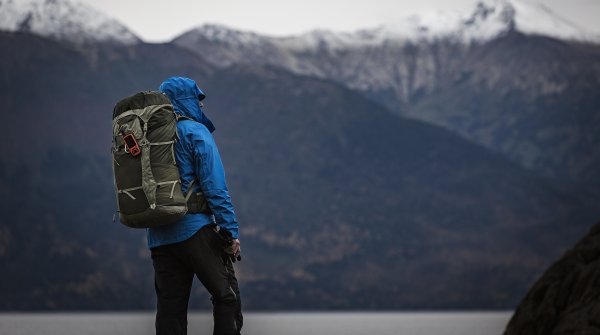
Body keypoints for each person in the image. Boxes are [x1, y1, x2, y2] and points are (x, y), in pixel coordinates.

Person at [148, 76, 242, 335]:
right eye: (196, 100)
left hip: (158, 235)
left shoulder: (149, 137)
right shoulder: (194, 132)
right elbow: (215, 187)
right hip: (194, 230)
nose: (201, 106)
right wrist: (230, 231)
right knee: (226, 296)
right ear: (184, 101)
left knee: (170, 309)